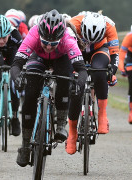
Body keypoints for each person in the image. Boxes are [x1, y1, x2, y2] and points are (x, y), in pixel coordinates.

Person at [10, 9, 87, 167]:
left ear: (60, 38)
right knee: (30, 93)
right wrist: (17, 78)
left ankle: (60, 124)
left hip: (61, 59)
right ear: (40, 35)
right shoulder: (33, 33)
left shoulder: (68, 39)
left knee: (65, 81)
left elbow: (81, 70)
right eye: (45, 42)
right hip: (37, 58)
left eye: (53, 43)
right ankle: (25, 144)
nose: (49, 46)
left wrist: (78, 84)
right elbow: (16, 65)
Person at [66, 12, 119, 154]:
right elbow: (66, 52)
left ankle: (102, 113)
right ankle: (72, 133)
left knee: (100, 71)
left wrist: (112, 73)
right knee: (75, 87)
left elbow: (115, 55)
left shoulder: (109, 26)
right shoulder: (73, 24)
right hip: (78, 49)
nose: (90, 41)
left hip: (99, 50)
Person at [0, 14, 22, 136]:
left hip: (12, 52)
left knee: (14, 84)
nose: (1, 41)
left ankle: (15, 118)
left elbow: (23, 54)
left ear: (9, 34)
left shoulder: (15, 36)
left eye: (4, 38)